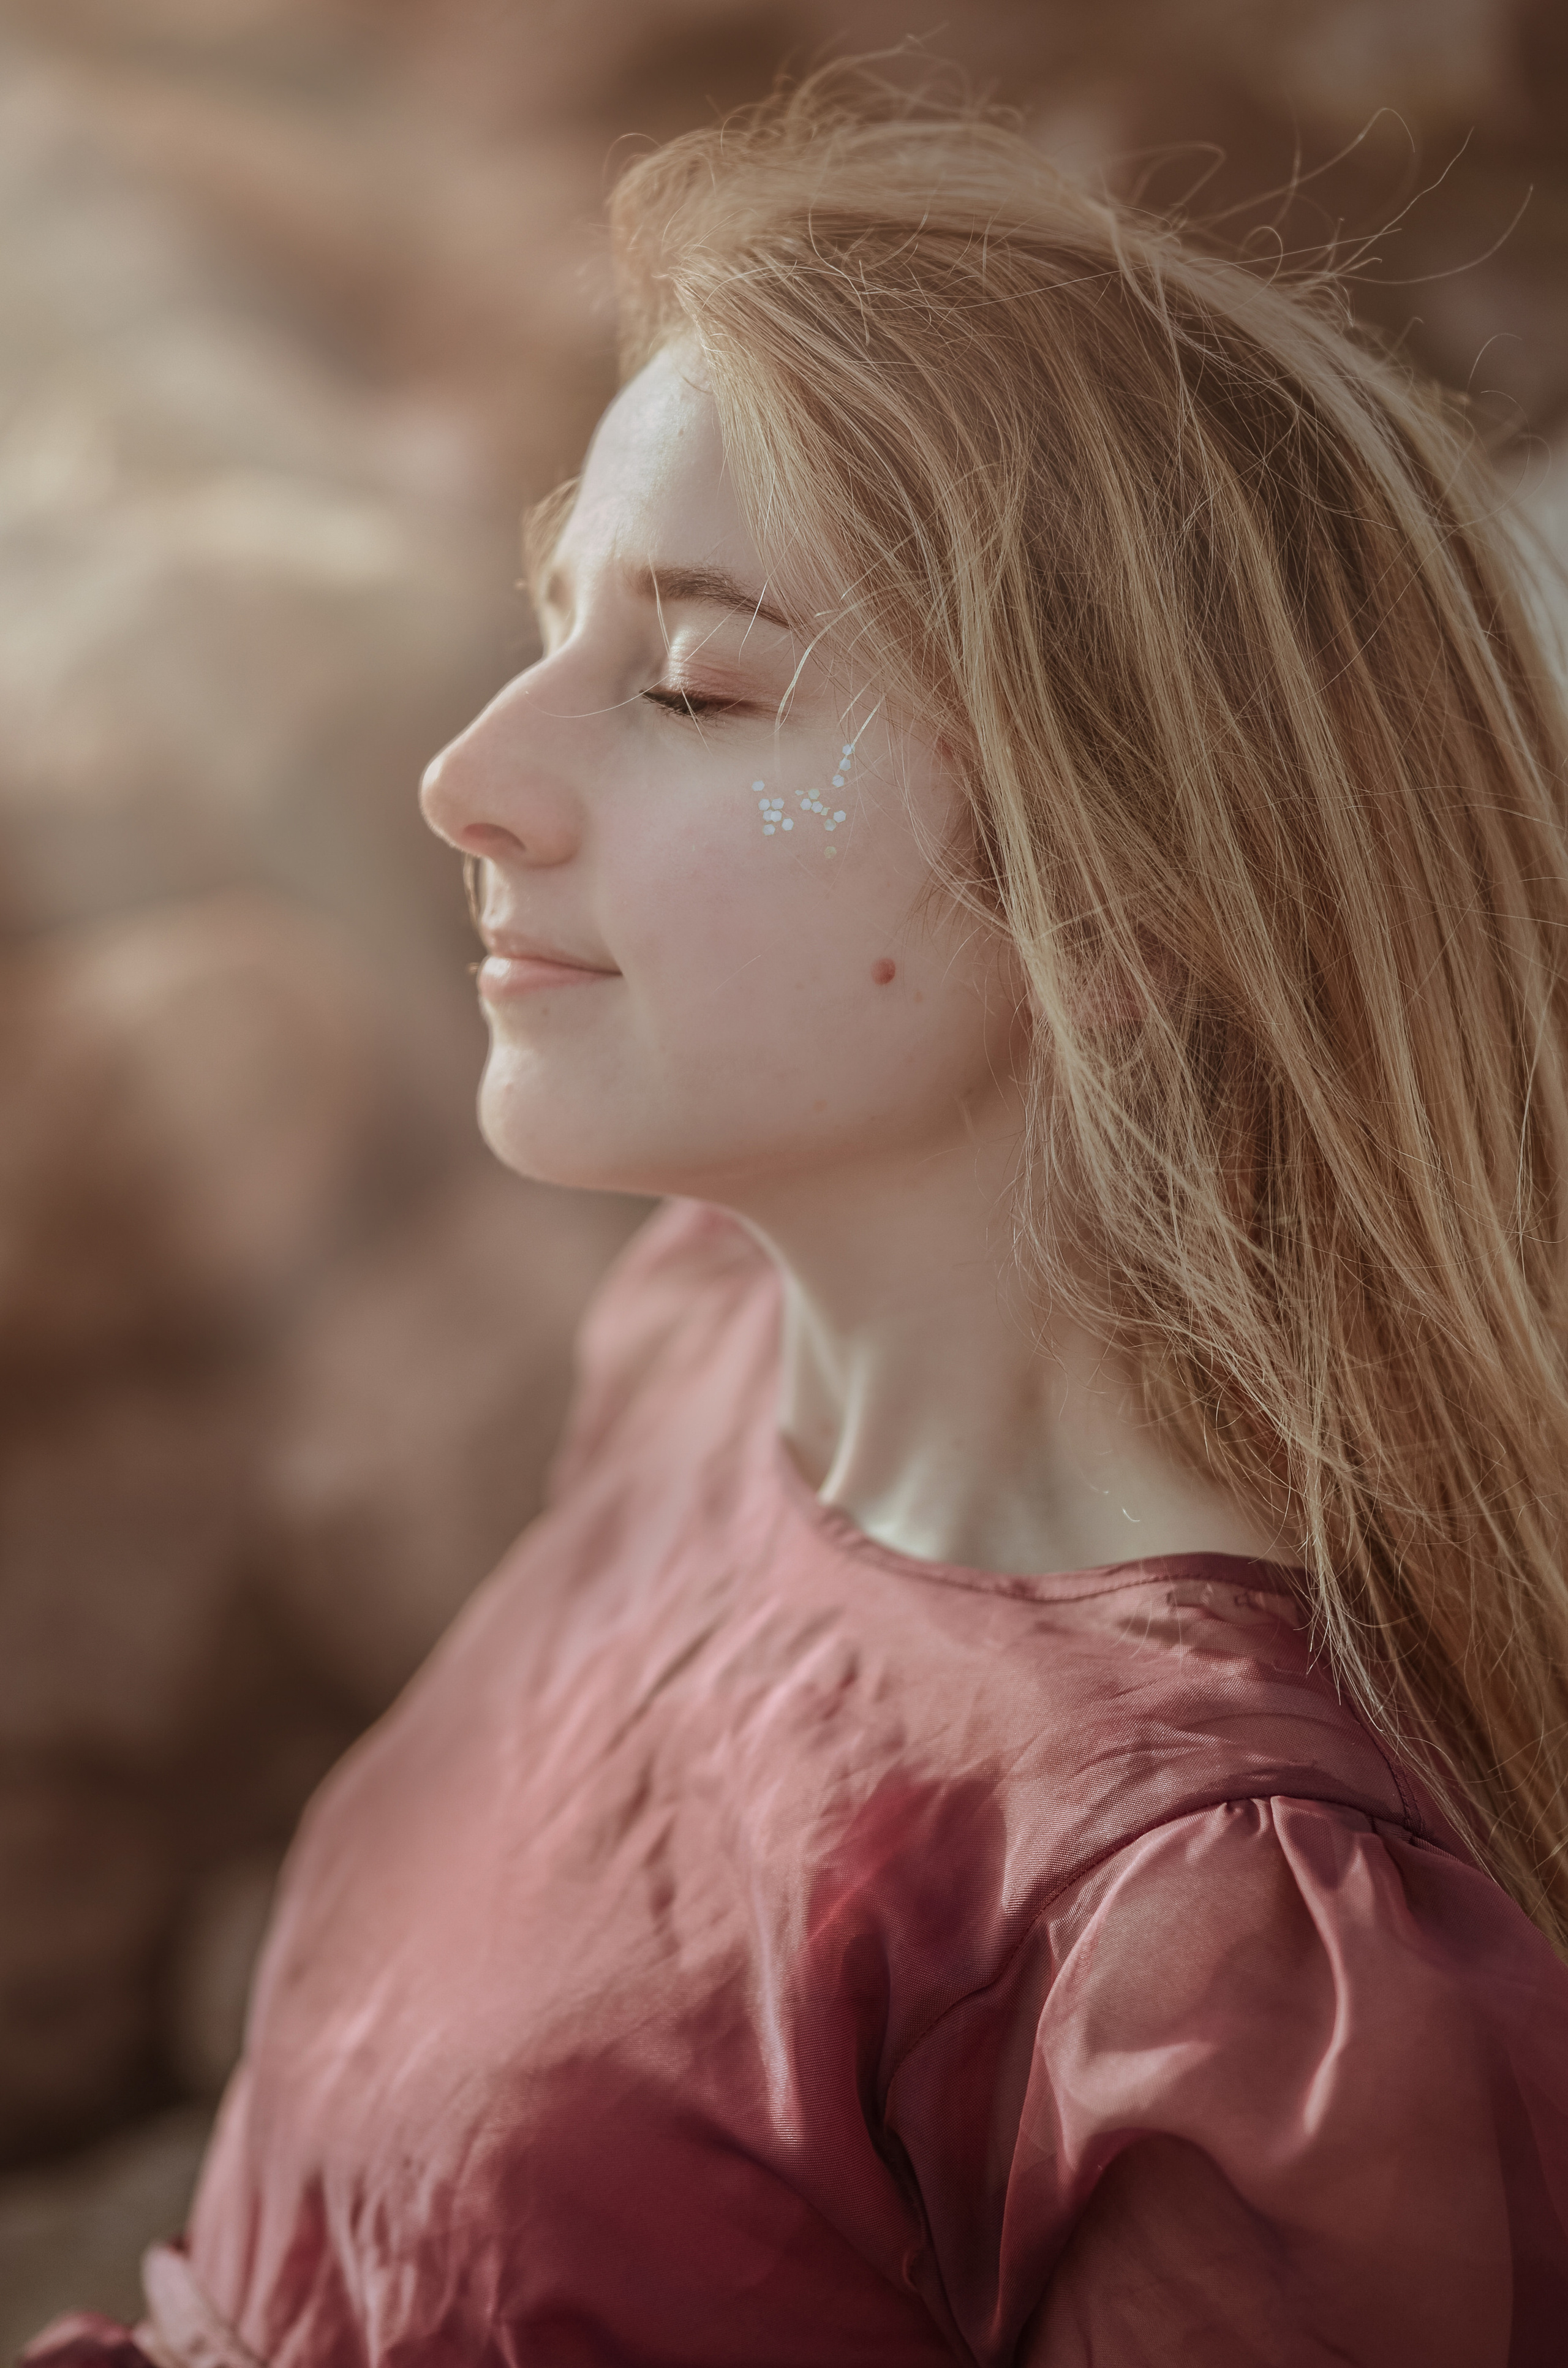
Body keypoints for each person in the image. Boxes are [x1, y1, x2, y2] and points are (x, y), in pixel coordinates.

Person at [28, 68, 1568, 2368]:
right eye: (552, 625)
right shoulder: (710, 1341)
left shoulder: (1227, 1952)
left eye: (692, 683)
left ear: (1127, 892)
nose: (475, 777)